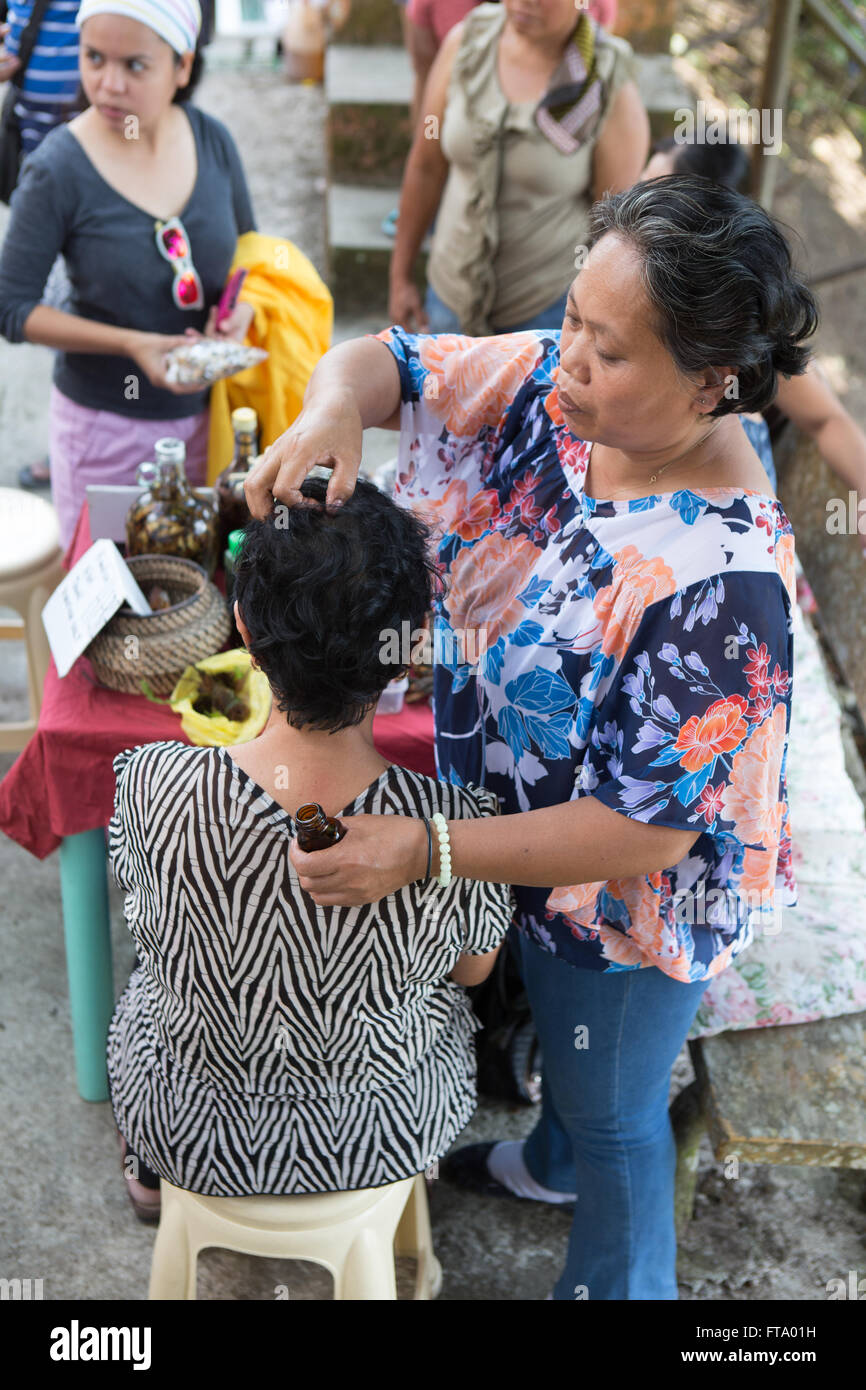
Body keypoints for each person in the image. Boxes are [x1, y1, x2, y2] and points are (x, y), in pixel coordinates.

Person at [245, 176, 817, 1299]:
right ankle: (548, 1159)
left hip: (617, 893)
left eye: (605, 351)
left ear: (712, 379)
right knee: (570, 1057)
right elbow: (397, 366)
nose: (566, 362)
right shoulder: (565, 395)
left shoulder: (721, 582)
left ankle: (613, 1271)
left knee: (617, 1112)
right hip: (511, 822)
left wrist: (421, 851)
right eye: (571, 320)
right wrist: (325, 407)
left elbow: (637, 834)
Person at [107, 475, 512, 1220]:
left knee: (149, 976)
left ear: (244, 634)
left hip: (186, 1127)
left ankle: (149, 1180)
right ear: (405, 651)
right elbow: (472, 969)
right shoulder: (454, 824)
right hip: (381, 1131)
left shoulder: (150, 782)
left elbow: (147, 919)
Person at [0, 0, 256, 548]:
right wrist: (131, 344)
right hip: (104, 433)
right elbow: (12, 307)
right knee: (116, 610)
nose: (108, 84)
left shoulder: (213, 142)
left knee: (202, 602)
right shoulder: (58, 168)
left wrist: (241, 311)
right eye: (94, 58)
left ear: (182, 66)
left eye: (134, 65)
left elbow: (252, 258)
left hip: (208, 425)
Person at [388, 0, 649, 335]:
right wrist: (400, 277)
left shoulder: (606, 79)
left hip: (544, 315)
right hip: (447, 300)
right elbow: (426, 163)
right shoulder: (467, 42)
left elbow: (615, 228)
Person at [644, 136, 866, 502]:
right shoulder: (621, 273)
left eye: (654, 191)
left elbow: (827, 419)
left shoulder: (740, 317)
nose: (634, 198)